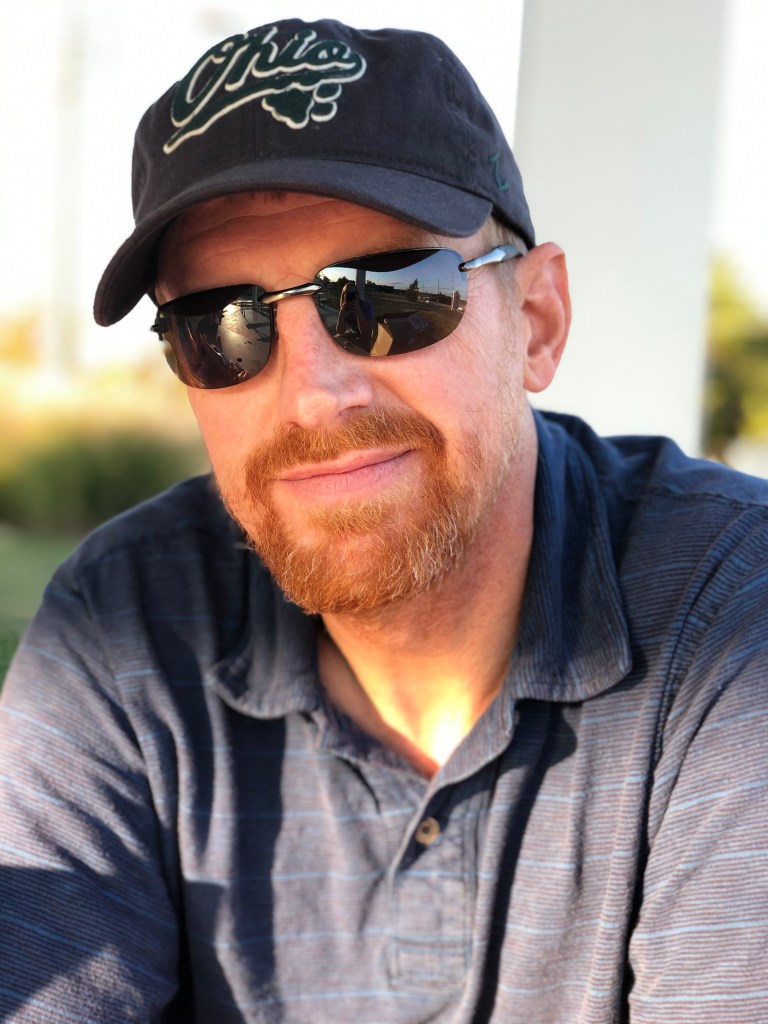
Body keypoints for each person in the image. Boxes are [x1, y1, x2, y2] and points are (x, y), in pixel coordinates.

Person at [1, 18, 767, 1024]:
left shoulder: (732, 615)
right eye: (223, 329)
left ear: (537, 322)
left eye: (391, 296)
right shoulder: (122, 626)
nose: (316, 397)